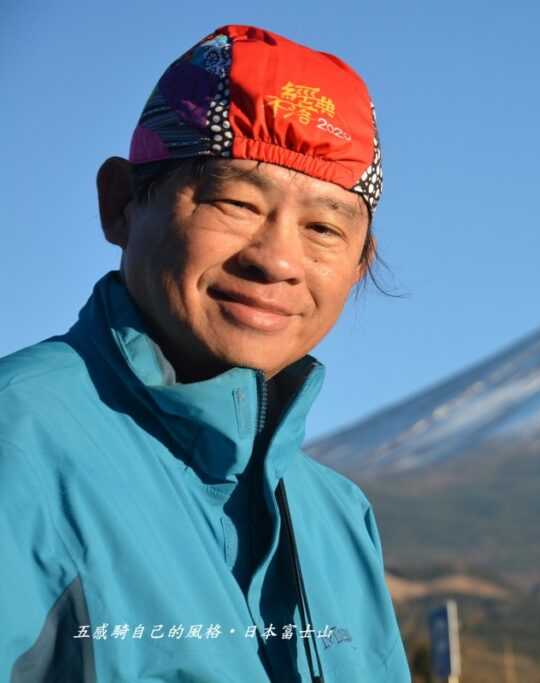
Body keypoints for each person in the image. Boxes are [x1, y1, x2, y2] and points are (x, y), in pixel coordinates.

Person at [0, 25, 408, 682]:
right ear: (121, 204)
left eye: (324, 228)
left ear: (359, 263)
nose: (276, 259)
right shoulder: (18, 446)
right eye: (234, 200)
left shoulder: (337, 518)